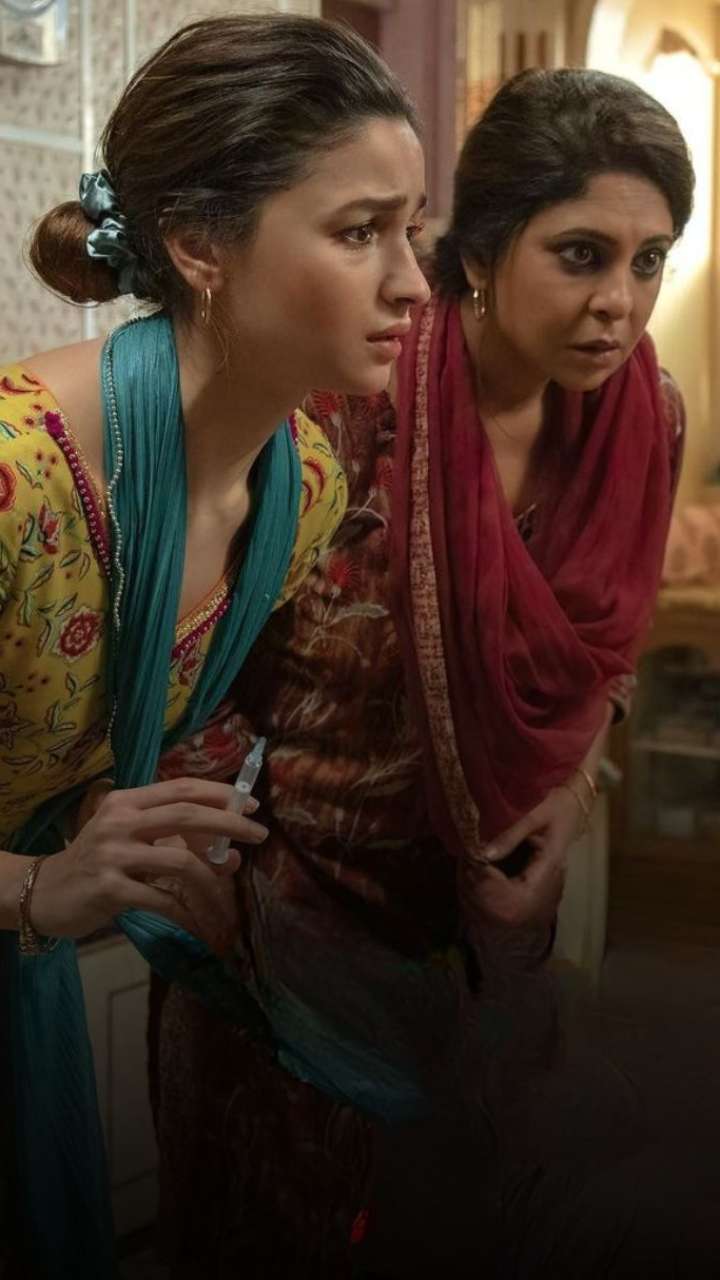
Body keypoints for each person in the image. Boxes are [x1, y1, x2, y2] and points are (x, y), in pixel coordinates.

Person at [149, 67, 720, 1278]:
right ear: (483, 251)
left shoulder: (646, 419)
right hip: (287, 935)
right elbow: (186, 658)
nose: (621, 303)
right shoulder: (346, 403)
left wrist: (571, 793)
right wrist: (214, 881)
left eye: (649, 260)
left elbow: (605, 651)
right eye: (581, 255)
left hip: (487, 938)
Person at [0, 14, 431, 1279]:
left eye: (412, 229)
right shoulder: (17, 486)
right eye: (360, 231)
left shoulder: (299, 489)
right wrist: (34, 888)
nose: (413, 281)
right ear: (199, 245)